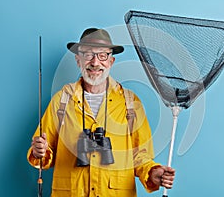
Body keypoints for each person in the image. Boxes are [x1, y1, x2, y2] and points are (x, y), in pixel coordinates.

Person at [27, 27, 175, 197]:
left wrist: (152, 172)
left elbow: (141, 157)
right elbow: (42, 154)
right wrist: (40, 151)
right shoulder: (62, 100)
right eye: (88, 54)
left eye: (102, 55)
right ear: (78, 60)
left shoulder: (130, 103)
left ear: (111, 62)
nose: (95, 62)